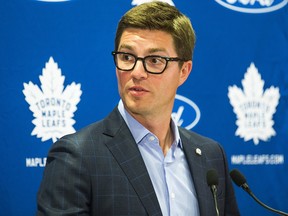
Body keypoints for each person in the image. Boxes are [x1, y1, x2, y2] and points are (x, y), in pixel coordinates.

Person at [37, 1, 240, 215]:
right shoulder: (76, 156)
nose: (137, 72)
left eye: (154, 60)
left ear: (184, 71)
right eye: (127, 57)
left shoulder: (211, 155)